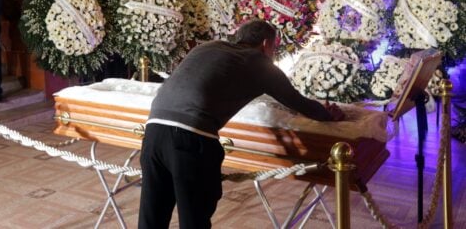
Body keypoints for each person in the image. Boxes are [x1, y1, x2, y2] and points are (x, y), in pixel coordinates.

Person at [138, 19, 344, 229]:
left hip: (153, 132)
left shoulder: (209, 46)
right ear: (266, 44)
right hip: (191, 138)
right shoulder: (258, 62)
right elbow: (296, 101)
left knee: (151, 219)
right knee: (194, 221)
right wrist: (331, 115)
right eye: (274, 48)